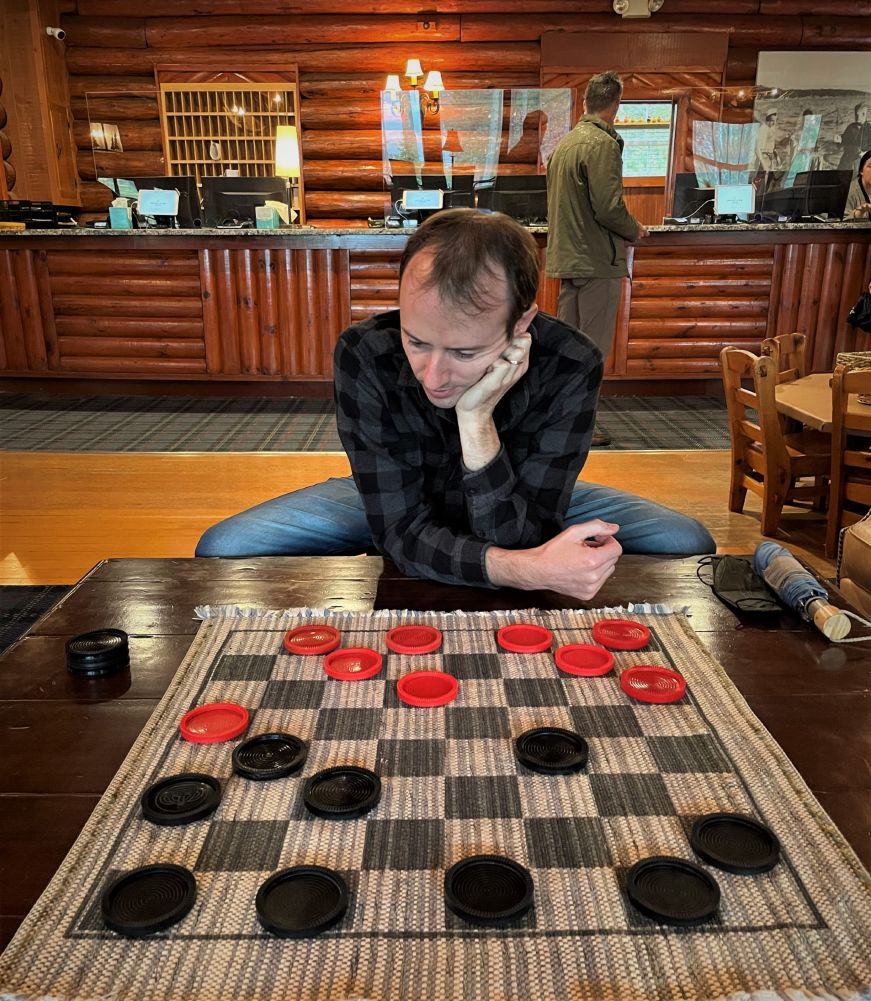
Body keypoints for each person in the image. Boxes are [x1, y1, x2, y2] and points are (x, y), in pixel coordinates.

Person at [196, 209, 715, 602]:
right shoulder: (366, 353)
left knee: (685, 538)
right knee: (224, 546)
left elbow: (522, 532)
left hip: (524, 491)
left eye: (465, 351)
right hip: (401, 495)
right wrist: (530, 570)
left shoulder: (569, 362)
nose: (434, 375)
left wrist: (475, 419)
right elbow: (401, 534)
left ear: (521, 325)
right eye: (417, 341)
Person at [545, 70, 648, 448]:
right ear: (615, 104)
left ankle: (557, 424)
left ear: (586, 101)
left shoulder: (566, 144)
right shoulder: (602, 144)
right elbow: (608, 208)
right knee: (590, 352)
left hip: (568, 259)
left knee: (566, 351)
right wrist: (634, 228)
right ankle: (580, 429)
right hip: (595, 262)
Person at [838, 103, 871, 172]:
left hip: (864, 157)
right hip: (849, 157)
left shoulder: (869, 128)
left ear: (864, 114)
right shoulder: (851, 127)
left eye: (858, 115)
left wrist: (864, 154)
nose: (856, 117)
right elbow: (845, 140)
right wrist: (840, 139)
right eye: (855, 115)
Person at [843, 149, 871, 220]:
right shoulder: (848, 191)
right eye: (870, 166)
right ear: (861, 170)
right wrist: (857, 214)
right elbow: (839, 223)